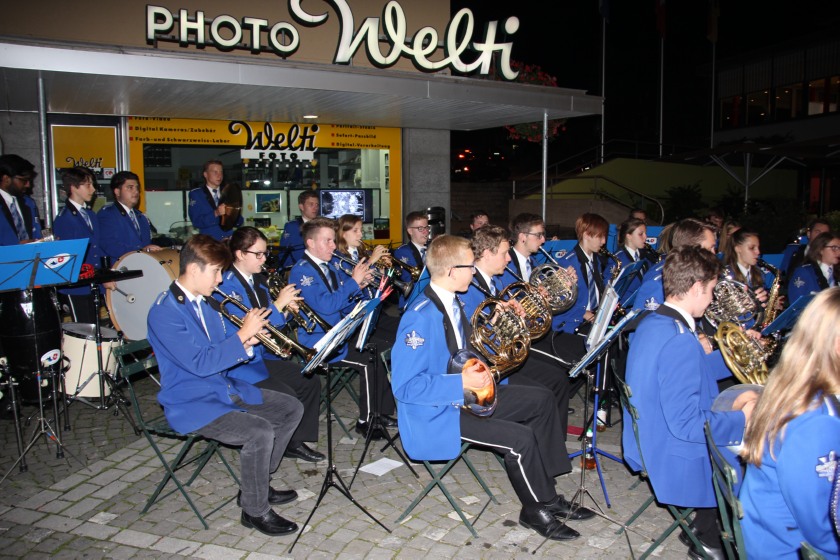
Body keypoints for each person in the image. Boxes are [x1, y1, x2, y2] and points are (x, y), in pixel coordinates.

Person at [392, 234, 594, 541]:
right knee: (519, 438)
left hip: (466, 397)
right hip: (440, 412)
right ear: (452, 271)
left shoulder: (452, 301)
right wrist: (460, 382)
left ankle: (548, 494)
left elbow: (466, 351)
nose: (474, 271)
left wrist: (498, 322)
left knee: (542, 399)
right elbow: (406, 387)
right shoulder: (419, 318)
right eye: (470, 266)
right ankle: (534, 510)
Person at [147, 234, 303, 536]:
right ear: (195, 269)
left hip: (223, 388)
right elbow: (200, 363)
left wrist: (249, 340)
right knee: (259, 431)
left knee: (289, 408)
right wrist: (242, 335)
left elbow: (221, 348)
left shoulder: (206, 303)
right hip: (191, 402)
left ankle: (256, 485)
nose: (220, 280)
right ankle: (254, 510)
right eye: (216, 271)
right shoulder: (165, 312)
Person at [622, 245, 758, 560]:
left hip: (650, 435)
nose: (711, 300)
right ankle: (710, 538)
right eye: (710, 291)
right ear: (696, 287)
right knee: (761, 450)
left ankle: (703, 527)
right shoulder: (679, 338)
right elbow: (687, 425)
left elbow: (688, 369)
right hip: (673, 454)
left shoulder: (656, 322)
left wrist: (737, 354)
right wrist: (743, 420)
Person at [740, 288, 840, 559]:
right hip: (786, 547)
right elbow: (820, 527)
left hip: (770, 532)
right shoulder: (816, 423)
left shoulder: (792, 386)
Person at [215, 227, 325, 463]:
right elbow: (248, 327)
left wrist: (287, 312)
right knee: (287, 395)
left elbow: (272, 325)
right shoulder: (226, 287)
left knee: (309, 380)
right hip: (241, 366)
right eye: (258, 254)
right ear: (240, 254)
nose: (264, 259)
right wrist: (278, 305)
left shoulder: (259, 282)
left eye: (265, 253)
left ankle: (295, 441)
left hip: (261, 358)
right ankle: (275, 445)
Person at [460, 224, 574, 435]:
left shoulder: (495, 281)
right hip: (492, 366)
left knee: (558, 379)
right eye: (504, 254)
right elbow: (475, 340)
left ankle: (554, 440)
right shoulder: (469, 289)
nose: (508, 259)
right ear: (487, 254)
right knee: (545, 394)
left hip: (509, 357)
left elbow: (513, 322)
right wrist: (501, 319)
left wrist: (530, 305)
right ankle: (538, 440)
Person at [288, 217, 396, 439]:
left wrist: (360, 289)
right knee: (370, 360)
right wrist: (353, 283)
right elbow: (327, 306)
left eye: (333, 240)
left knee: (385, 349)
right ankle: (367, 421)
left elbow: (342, 304)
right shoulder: (302, 272)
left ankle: (381, 411)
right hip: (319, 341)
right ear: (310, 243)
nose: (333, 246)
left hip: (339, 332)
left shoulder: (327, 266)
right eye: (327, 241)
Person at [53, 166, 109, 323]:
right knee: (85, 327)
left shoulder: (90, 214)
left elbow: (98, 246)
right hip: (77, 286)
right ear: (73, 187)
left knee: (97, 325)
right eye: (88, 185)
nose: (93, 189)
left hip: (93, 282)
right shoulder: (64, 218)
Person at [633, 218, 717, 313]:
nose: (714, 254)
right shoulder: (658, 282)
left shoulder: (694, 273)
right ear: (692, 248)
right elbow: (649, 319)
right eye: (710, 248)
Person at [97, 171, 162, 259]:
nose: (136, 191)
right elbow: (110, 245)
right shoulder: (108, 215)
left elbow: (146, 244)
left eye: (137, 188)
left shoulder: (141, 217)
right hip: (119, 265)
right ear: (117, 192)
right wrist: (141, 250)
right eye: (130, 187)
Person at [188, 160, 243, 240]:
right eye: (215, 172)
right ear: (205, 174)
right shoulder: (197, 194)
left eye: (221, 172)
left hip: (228, 240)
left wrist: (233, 213)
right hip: (209, 242)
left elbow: (239, 221)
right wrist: (216, 213)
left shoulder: (228, 192)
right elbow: (196, 222)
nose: (219, 175)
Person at [0, 154, 42, 245]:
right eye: (24, 180)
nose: (28, 185)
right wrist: (15, 248)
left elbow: (37, 234)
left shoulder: (29, 203)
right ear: (6, 179)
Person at [788, 231, 840, 302]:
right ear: (820, 249)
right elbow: (797, 303)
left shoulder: (836, 274)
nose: (839, 252)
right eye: (834, 248)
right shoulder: (804, 272)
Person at [393, 210, 430, 308]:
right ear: (410, 231)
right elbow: (409, 279)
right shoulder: (403, 251)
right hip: (412, 301)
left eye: (426, 227)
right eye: (420, 228)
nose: (426, 232)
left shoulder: (433, 248)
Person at [615, 218, 657, 302]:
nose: (645, 237)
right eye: (641, 234)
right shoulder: (617, 259)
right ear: (629, 236)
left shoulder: (646, 255)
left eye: (645, 233)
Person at [279, 190, 320, 267]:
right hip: (300, 267)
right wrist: (290, 269)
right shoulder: (292, 227)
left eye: (317, 205)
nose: (315, 208)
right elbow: (284, 252)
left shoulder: (322, 226)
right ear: (301, 207)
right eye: (311, 204)